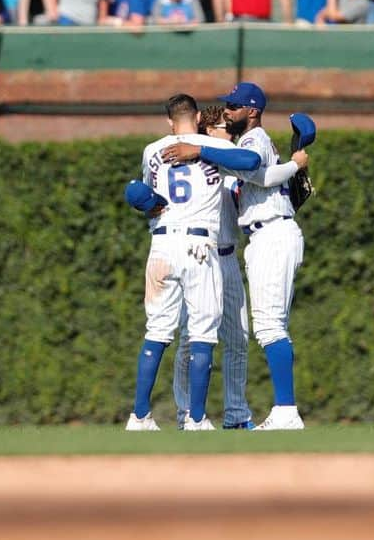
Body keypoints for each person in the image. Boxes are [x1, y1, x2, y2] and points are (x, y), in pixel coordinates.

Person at [160, 82, 310, 431]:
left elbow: (254, 164)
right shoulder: (245, 142)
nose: (227, 111)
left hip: (271, 232)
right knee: (263, 327)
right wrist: (294, 164)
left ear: (251, 111)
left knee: (269, 326)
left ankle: (286, 410)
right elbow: (264, 175)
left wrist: (199, 150)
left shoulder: (252, 140)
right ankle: (266, 411)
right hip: (262, 235)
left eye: (234, 106)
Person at [124, 93, 263, 431]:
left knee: (157, 330)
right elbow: (251, 161)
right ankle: (197, 418)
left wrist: (149, 201)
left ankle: (139, 416)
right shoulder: (208, 145)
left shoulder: (152, 150)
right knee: (202, 334)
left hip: (162, 245)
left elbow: (144, 193)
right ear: (199, 116)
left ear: (169, 122)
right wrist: (202, 150)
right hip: (199, 246)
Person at [168, 101, 257, 429]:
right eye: (224, 128)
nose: (230, 134)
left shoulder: (230, 163)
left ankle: (235, 413)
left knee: (237, 338)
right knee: (190, 339)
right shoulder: (195, 165)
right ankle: (186, 413)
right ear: (206, 132)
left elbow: (251, 164)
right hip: (198, 257)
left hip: (228, 257)